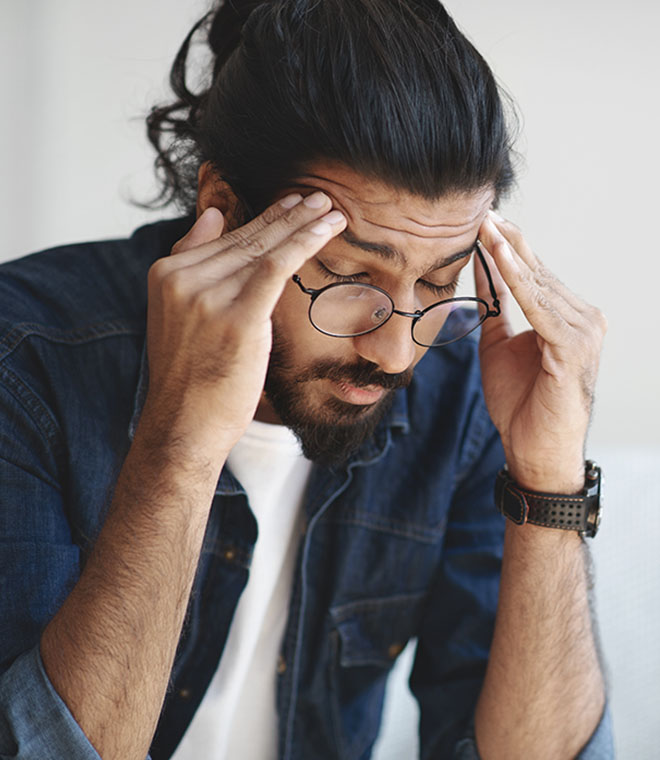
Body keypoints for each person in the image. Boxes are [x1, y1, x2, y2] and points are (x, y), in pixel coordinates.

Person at [0, 1, 613, 758]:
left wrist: (548, 481)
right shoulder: (23, 361)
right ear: (224, 207)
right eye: (351, 274)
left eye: (439, 281)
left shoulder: (462, 387)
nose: (395, 351)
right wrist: (182, 443)